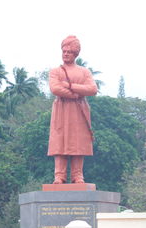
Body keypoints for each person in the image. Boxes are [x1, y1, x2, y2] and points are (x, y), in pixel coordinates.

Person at [48, 35, 97, 184]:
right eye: (64, 51)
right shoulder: (55, 71)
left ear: (75, 54)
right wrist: (77, 94)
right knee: (60, 141)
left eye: (69, 51)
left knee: (78, 143)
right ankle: (59, 175)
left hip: (79, 111)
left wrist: (70, 86)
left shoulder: (84, 72)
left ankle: (77, 175)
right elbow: (55, 88)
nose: (66, 54)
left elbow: (93, 89)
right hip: (61, 110)